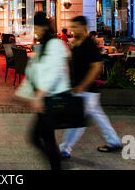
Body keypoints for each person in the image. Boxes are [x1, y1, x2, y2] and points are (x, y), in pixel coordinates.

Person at [59, 16, 122, 159]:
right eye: (71, 27)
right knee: (98, 116)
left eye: (75, 27)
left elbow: (96, 67)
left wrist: (82, 85)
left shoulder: (89, 44)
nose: (72, 30)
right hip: (83, 89)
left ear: (83, 27)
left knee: (77, 120)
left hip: (86, 90)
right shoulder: (77, 43)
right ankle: (114, 141)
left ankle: (64, 149)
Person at [15, 12, 71, 171]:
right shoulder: (43, 45)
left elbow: (52, 72)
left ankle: (56, 163)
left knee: (42, 138)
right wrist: (23, 93)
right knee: (42, 138)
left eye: (37, 27)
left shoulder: (54, 44)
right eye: (34, 27)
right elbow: (34, 72)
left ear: (45, 26)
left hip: (53, 99)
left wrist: (39, 95)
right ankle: (56, 161)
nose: (36, 30)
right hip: (46, 100)